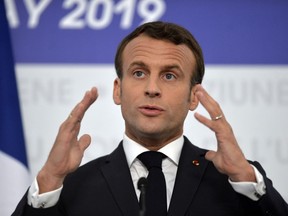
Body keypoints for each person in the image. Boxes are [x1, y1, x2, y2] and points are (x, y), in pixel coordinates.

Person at [12, 21, 288, 216]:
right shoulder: (69, 186)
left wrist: (244, 178)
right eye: (139, 73)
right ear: (118, 90)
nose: (152, 88)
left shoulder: (236, 181)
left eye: (169, 75)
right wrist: (49, 179)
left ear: (194, 96)